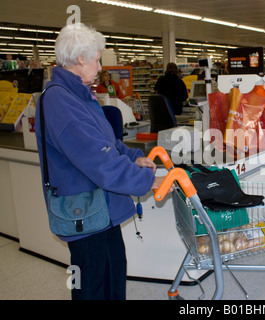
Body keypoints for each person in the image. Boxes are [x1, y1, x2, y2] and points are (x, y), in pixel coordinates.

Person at [35, 23, 171, 300]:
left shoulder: (81, 95)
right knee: (91, 286)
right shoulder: (60, 101)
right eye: (97, 60)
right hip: (83, 214)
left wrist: (136, 158)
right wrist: (146, 181)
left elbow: (109, 143)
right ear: (80, 59)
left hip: (102, 210)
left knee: (113, 274)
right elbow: (98, 160)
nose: (100, 68)